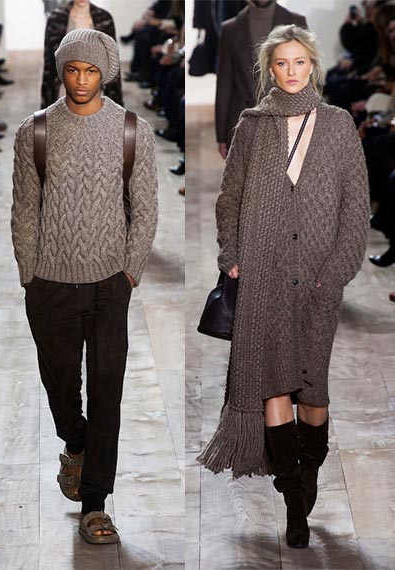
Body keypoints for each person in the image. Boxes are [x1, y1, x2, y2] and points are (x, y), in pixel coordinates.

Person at [199, 25, 370, 550]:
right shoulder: (253, 125)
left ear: (312, 65)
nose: (291, 71)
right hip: (263, 272)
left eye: (299, 62)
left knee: (312, 391)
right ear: (269, 69)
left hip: (319, 278)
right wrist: (231, 255)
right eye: (281, 63)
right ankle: (294, 498)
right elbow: (229, 197)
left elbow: (355, 208)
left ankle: (308, 469)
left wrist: (335, 273)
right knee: (273, 383)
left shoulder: (338, 125)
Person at [11, 29, 158, 544]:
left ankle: (95, 504)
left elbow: (145, 210)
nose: (81, 79)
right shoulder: (35, 131)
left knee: (107, 391)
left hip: (109, 283)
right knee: (60, 386)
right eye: (73, 69)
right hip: (49, 281)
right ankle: (75, 442)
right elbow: (24, 208)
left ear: (105, 74)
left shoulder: (132, 130)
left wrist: (130, 271)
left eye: (91, 70)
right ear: (61, 71)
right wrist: (28, 273)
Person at [215, 0, 306, 158]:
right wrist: (222, 135)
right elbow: (225, 84)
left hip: (288, 121)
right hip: (243, 122)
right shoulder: (230, 29)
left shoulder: (296, 22)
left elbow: (306, 78)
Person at [41, 0, 123, 108]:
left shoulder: (104, 18)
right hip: (64, 87)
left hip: (97, 87)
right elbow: (49, 63)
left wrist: (117, 102)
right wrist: (46, 104)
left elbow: (112, 58)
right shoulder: (56, 18)